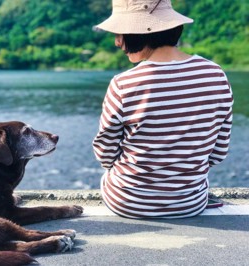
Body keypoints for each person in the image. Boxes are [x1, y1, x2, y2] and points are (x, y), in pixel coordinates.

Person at [92, 0, 233, 218]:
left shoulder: (123, 83)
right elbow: (218, 152)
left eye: (119, 33)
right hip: (190, 203)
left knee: (107, 176)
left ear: (138, 33)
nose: (117, 42)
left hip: (129, 203)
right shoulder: (216, 75)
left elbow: (105, 154)